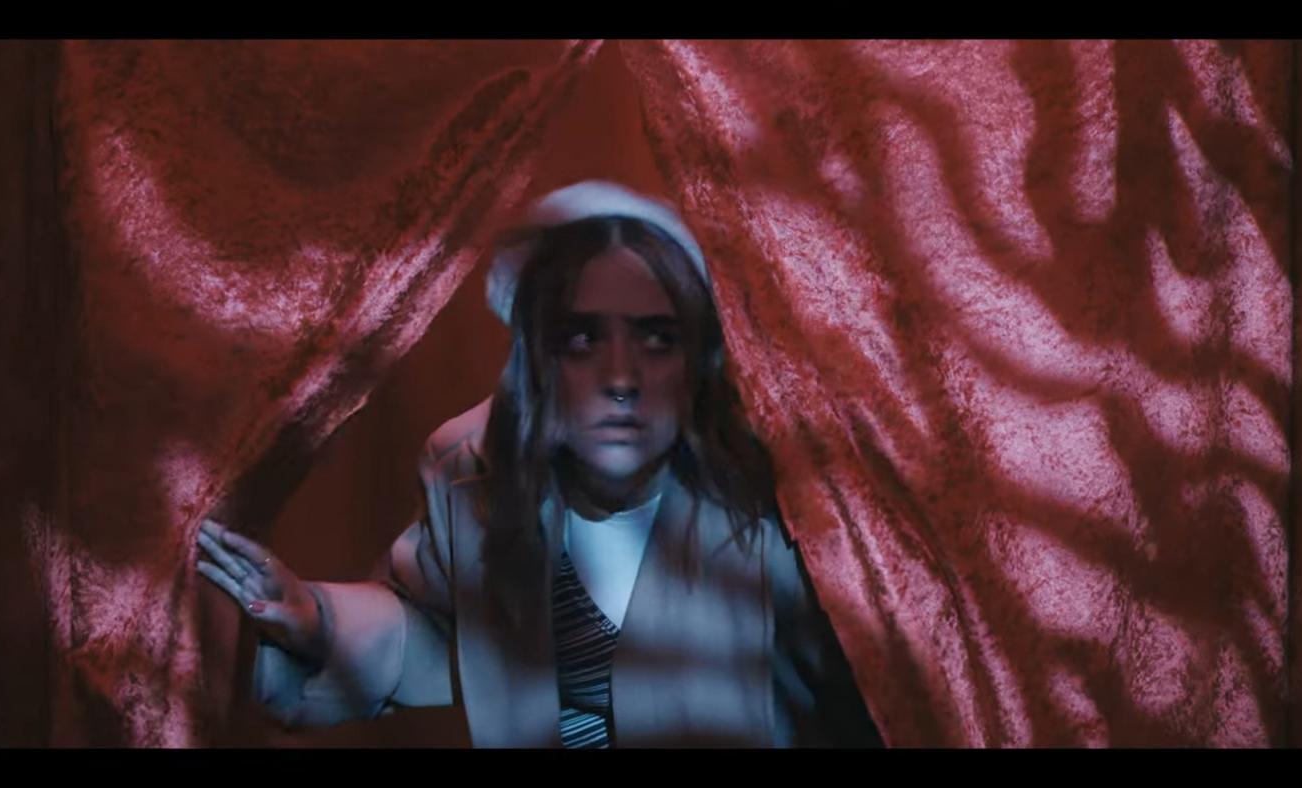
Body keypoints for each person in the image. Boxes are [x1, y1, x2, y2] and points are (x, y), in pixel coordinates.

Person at [197, 181, 883, 748]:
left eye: (658, 339)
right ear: (537, 356)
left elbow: (872, 695)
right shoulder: (472, 473)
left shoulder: (784, 498)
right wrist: (318, 618)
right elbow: (436, 633)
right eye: (582, 338)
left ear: (698, 360)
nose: (622, 378)